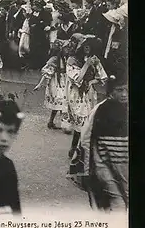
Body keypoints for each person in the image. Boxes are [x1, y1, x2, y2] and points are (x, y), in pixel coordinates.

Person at [67, 70, 128, 212]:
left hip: (124, 167)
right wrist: (85, 171)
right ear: (110, 92)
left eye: (126, 90)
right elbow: (86, 139)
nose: (124, 94)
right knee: (112, 209)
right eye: (120, 90)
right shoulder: (99, 110)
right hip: (103, 168)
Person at [66, 35, 108, 158]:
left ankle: (80, 149)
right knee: (80, 123)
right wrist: (87, 65)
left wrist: (91, 82)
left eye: (90, 47)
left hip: (89, 94)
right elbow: (77, 79)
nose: (87, 49)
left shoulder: (95, 60)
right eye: (85, 46)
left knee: (87, 123)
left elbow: (102, 77)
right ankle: (74, 147)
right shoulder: (72, 60)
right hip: (76, 94)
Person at [33, 39, 70, 130]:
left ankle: (51, 121)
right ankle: (64, 124)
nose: (68, 50)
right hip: (56, 83)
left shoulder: (65, 59)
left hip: (63, 82)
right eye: (66, 48)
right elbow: (47, 72)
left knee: (60, 103)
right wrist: (40, 84)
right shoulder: (55, 59)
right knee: (61, 101)